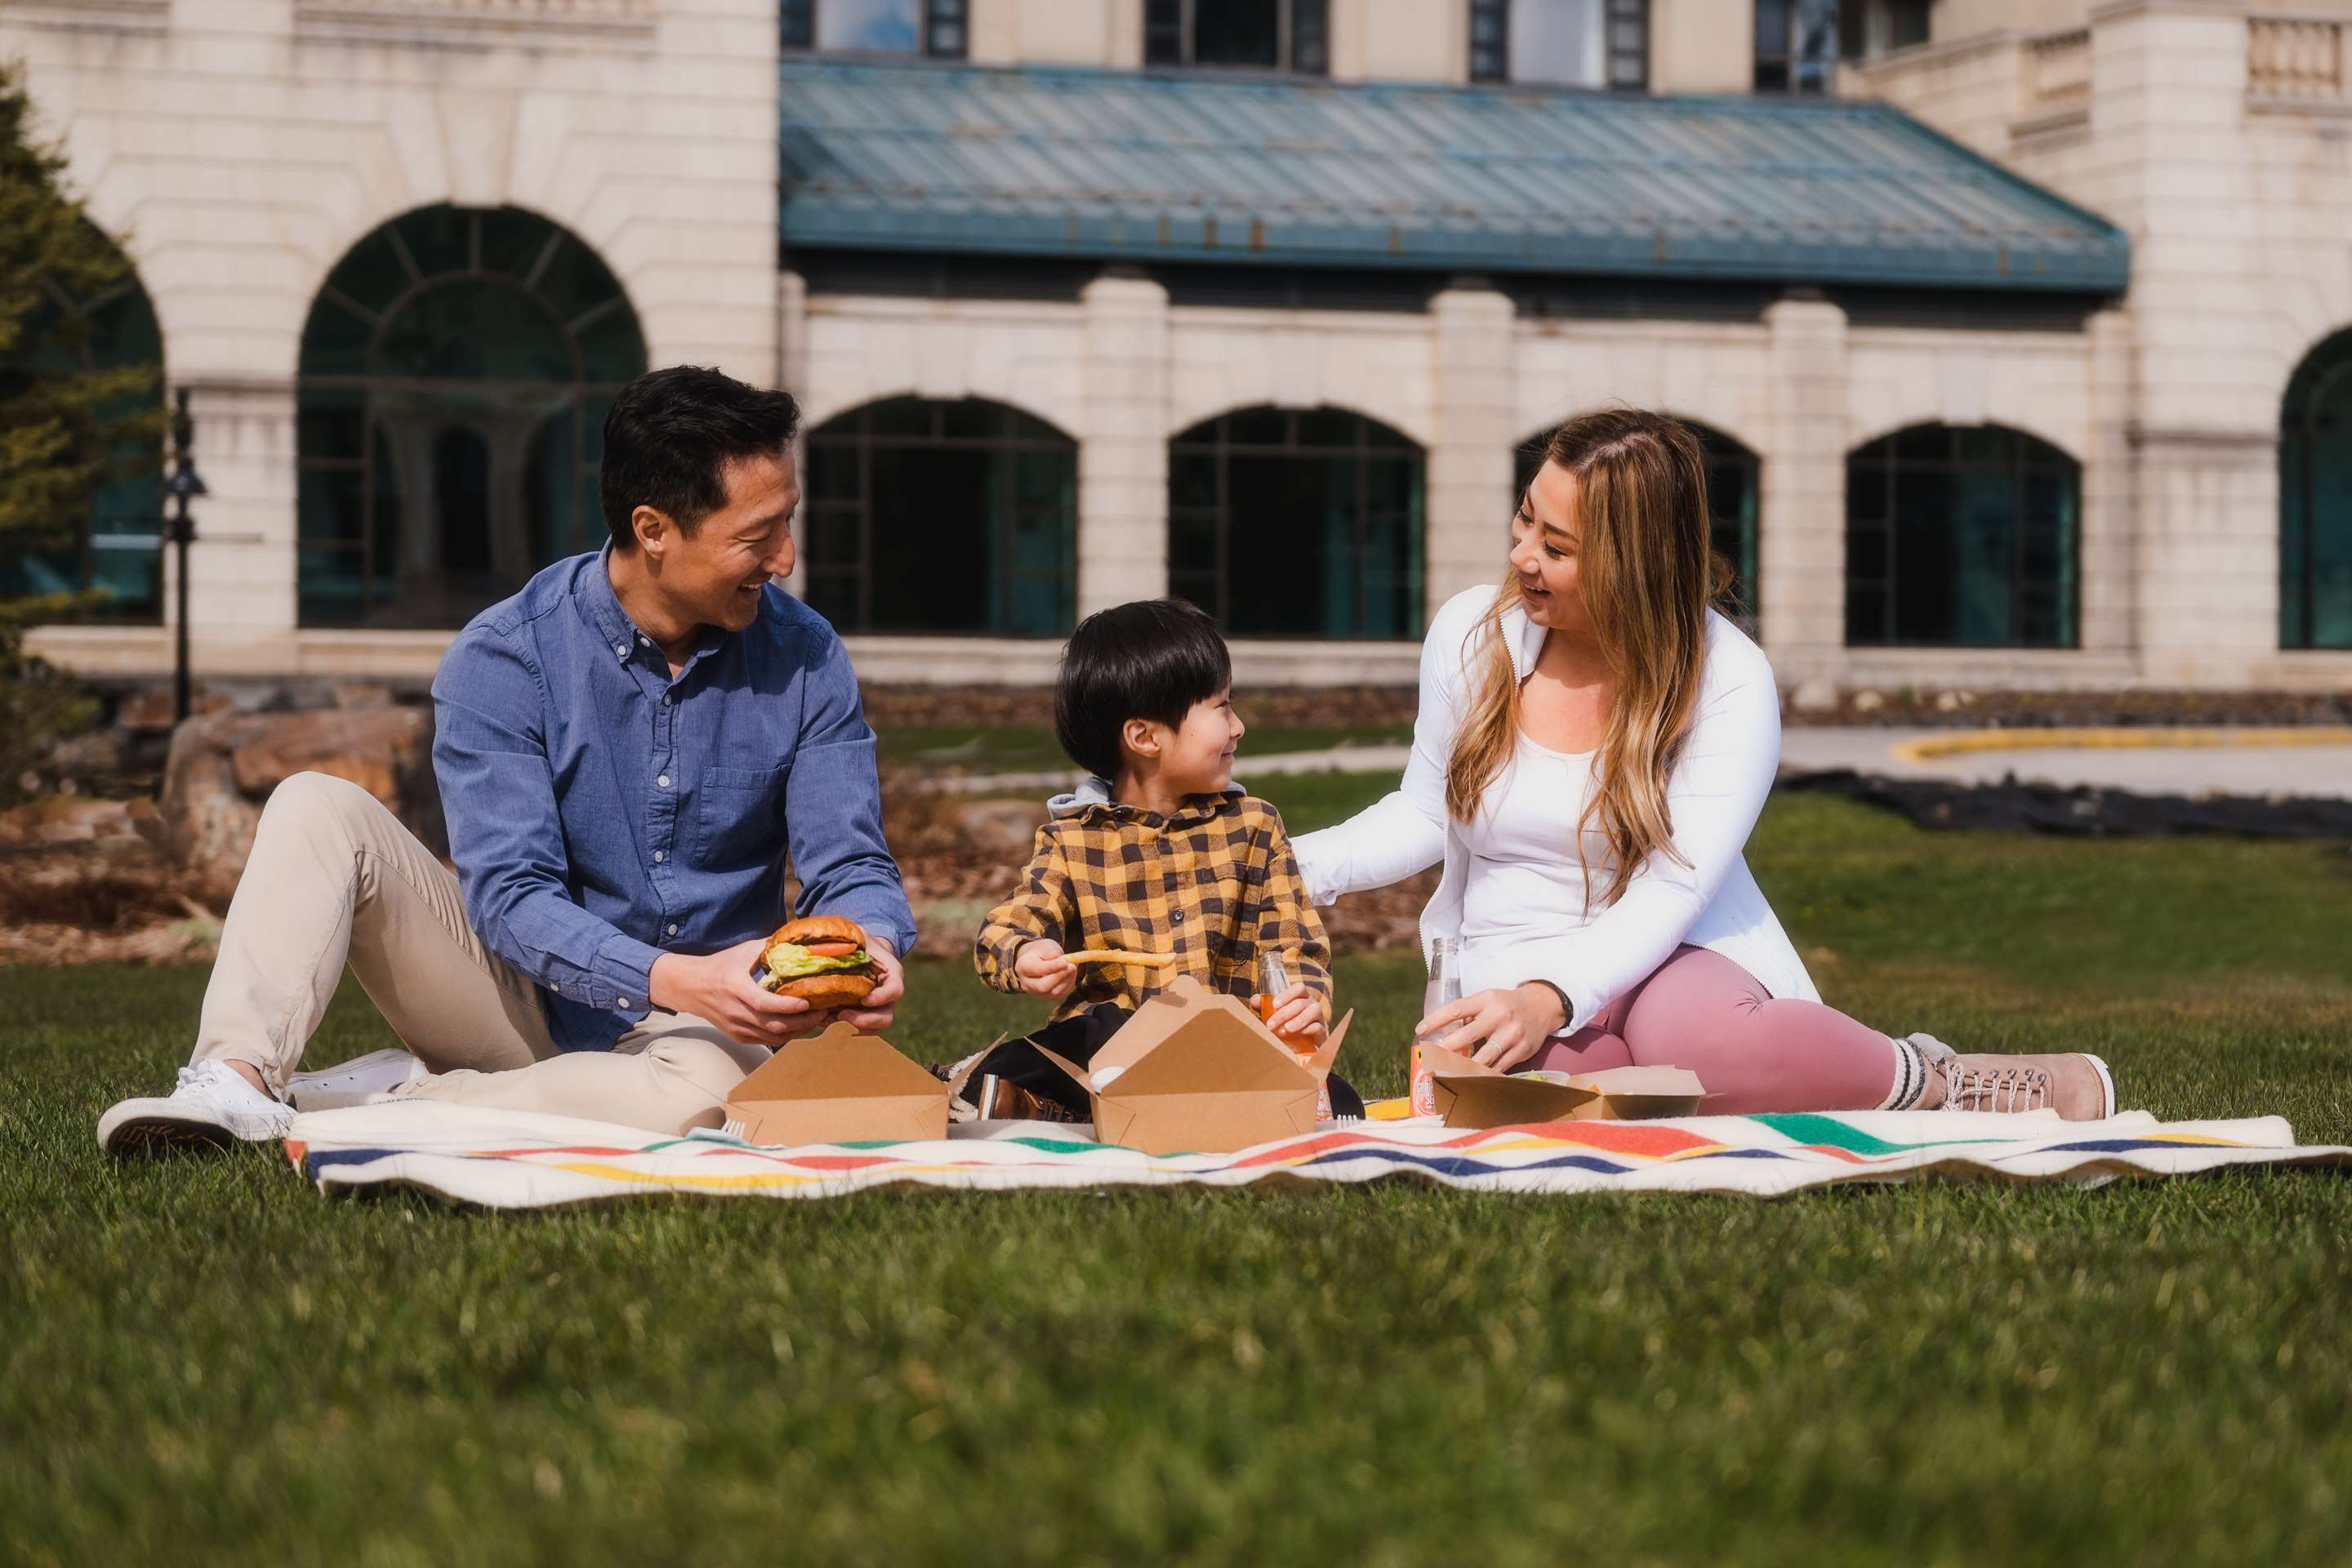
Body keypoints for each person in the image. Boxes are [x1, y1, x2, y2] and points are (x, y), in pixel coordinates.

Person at [98, 366, 915, 1153]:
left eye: (788, 521)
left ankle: (387, 1098)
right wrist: (671, 975)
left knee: (696, 1101)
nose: (785, 559)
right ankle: (235, 1078)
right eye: (757, 535)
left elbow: (848, 862)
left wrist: (872, 943)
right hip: (515, 998)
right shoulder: (507, 656)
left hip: (704, 1029)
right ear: (653, 531)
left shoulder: (805, 656)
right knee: (316, 804)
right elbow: (512, 899)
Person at [1294, 409, 2118, 1119]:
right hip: (1507, 963)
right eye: (1524, 520)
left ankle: (1940, 1082)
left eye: (1557, 545)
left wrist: (1554, 998)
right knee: (1540, 1106)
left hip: (1679, 955)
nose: (1521, 557)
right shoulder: (1474, 633)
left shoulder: (1728, 677)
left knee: (1691, 1048)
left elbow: (1675, 887)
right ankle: (1733, 1082)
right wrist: (1278, 864)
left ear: (1633, 564)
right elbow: (1427, 810)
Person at [962, 599, 1337, 1120]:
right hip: (1112, 1053)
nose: (1239, 726)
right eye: (1222, 707)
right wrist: (1023, 955)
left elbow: (1294, 945)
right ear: (1144, 737)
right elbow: (1005, 926)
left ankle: (1056, 1110)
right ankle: (1018, 1093)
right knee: (1095, 1030)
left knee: (1336, 1099)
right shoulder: (1072, 840)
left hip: (1226, 1052)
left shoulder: (1255, 827)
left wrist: (1304, 1005)